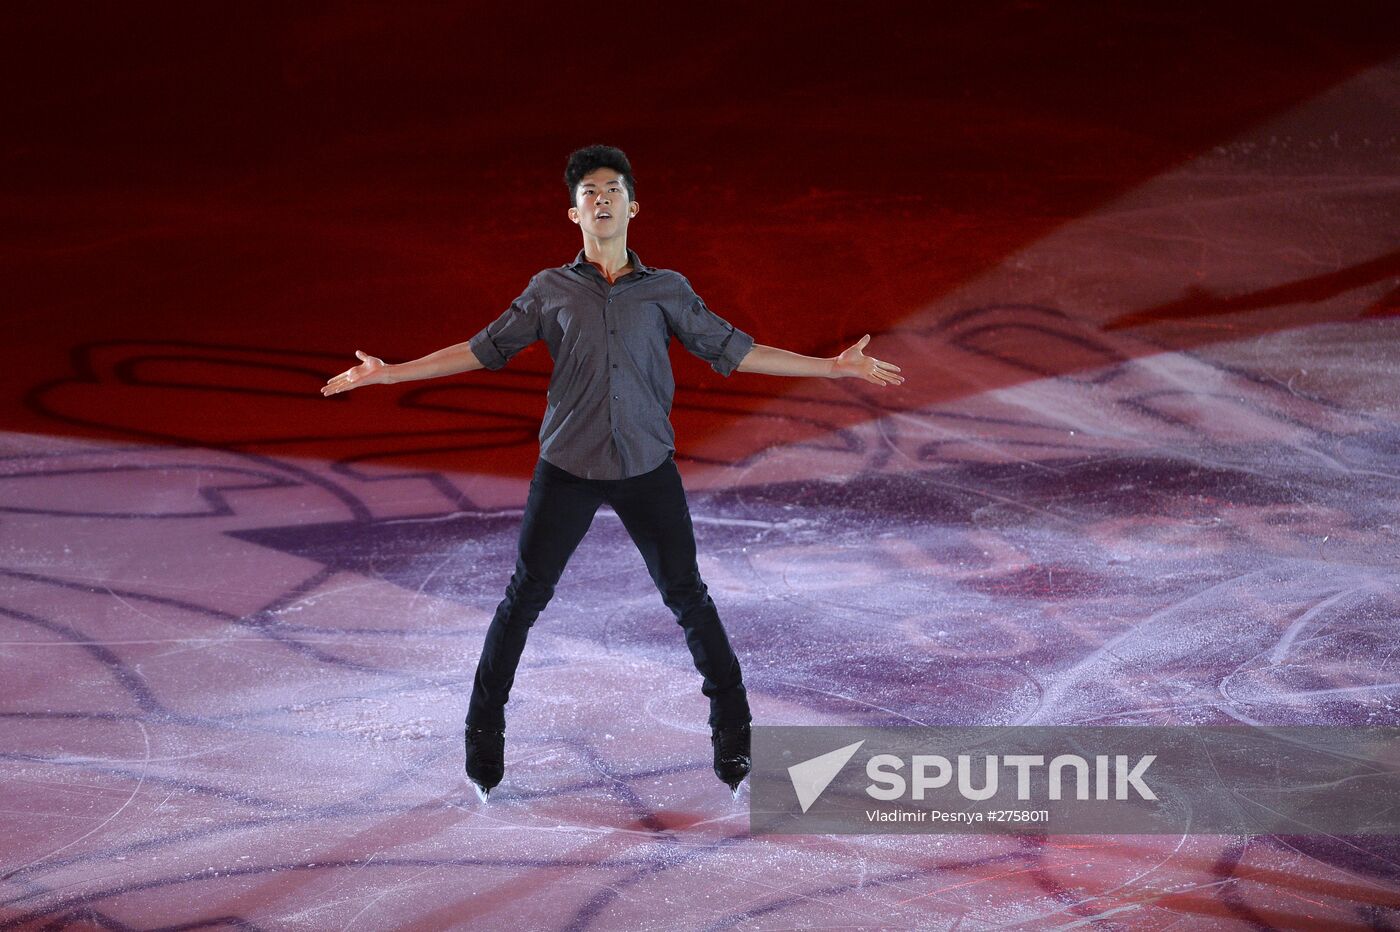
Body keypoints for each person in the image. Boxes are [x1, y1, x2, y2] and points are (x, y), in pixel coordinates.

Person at [322, 145, 904, 801]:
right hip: (567, 469)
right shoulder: (550, 289)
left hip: (645, 470)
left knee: (687, 597)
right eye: (589, 192)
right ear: (574, 213)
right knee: (523, 601)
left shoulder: (666, 291)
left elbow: (735, 351)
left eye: (612, 189)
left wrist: (831, 368)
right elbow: (482, 349)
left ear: (633, 205)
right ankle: (483, 741)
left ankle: (735, 741)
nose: (601, 199)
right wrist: (392, 372)